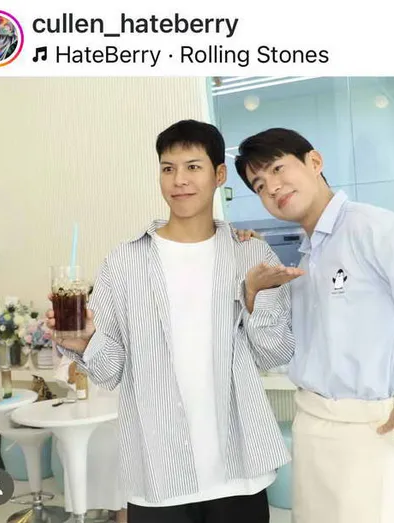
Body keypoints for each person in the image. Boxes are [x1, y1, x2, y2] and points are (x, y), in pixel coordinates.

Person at [47, 120, 303, 523]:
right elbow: (110, 372)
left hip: (239, 472)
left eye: (193, 167)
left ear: (219, 174)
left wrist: (254, 298)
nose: (179, 180)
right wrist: (85, 342)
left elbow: (274, 354)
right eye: (168, 168)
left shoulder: (251, 255)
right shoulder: (124, 262)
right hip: (158, 475)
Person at [234, 128, 394, 523]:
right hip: (311, 423)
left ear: (315, 162)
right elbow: (281, 349)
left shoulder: (371, 228)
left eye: (278, 169)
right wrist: (253, 280)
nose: (272, 188)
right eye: (259, 185)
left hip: (366, 430)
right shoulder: (309, 253)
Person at [53, 350, 127, 523]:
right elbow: (65, 375)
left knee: (120, 452)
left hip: (120, 416)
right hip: (85, 417)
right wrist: (78, 365)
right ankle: (88, 509)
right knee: (74, 445)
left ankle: (121, 511)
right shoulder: (77, 341)